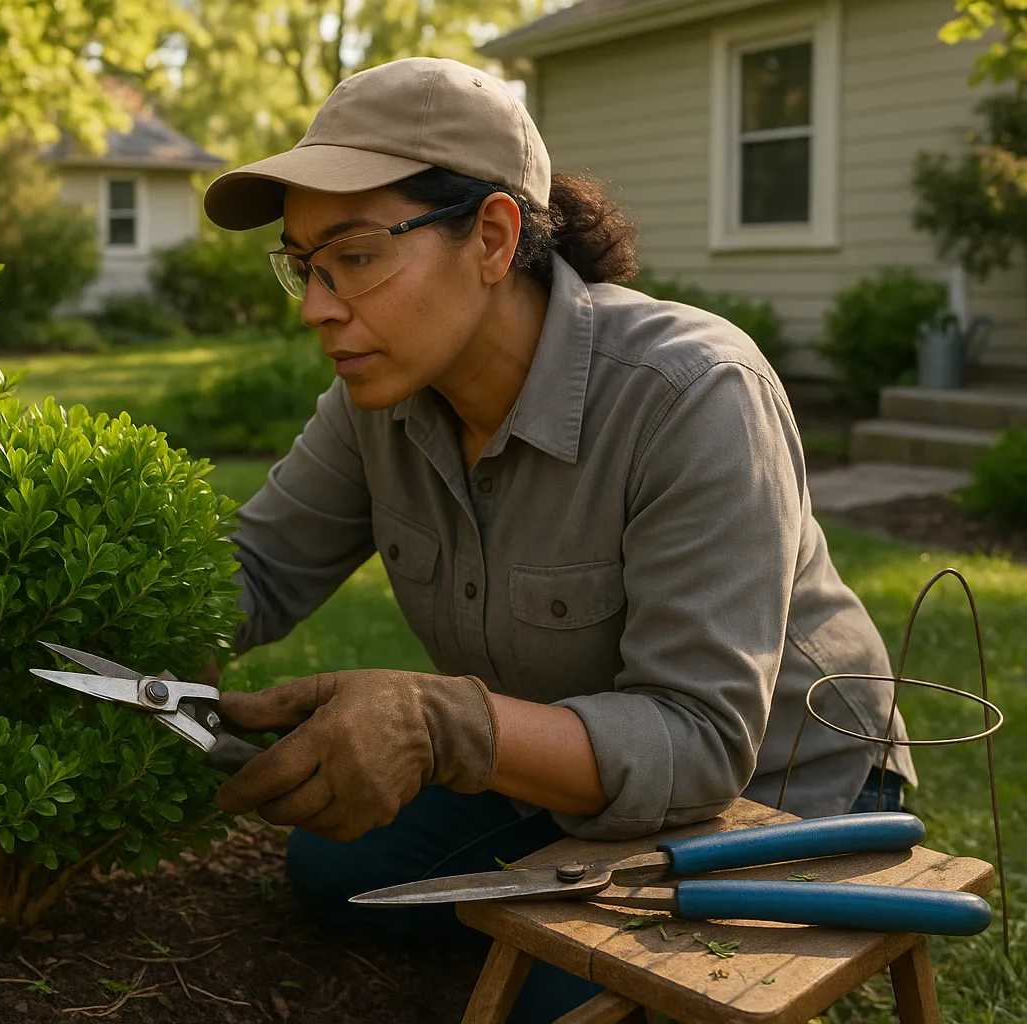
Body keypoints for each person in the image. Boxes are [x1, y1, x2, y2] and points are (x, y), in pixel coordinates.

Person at [198, 56, 917, 1021]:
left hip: (782, 796)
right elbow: (257, 569)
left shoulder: (693, 394)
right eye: (304, 265)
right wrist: (56, 610)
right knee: (334, 866)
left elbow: (704, 742)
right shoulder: (377, 398)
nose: (317, 306)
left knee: (558, 1007)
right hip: (561, 762)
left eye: (356, 255)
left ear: (493, 238)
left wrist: (440, 723)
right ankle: (556, 879)